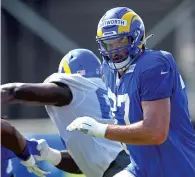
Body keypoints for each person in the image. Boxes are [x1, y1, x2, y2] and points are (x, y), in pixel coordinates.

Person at [67, 7, 195, 177]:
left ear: (136, 38)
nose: (114, 50)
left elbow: (155, 132)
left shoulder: (153, 64)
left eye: (121, 41)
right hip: (140, 167)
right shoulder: (109, 71)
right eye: (109, 43)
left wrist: (101, 129)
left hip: (175, 168)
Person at [1, 48, 130, 177]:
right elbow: (85, 164)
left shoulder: (77, 86)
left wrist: (5, 92)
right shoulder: (101, 93)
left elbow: (15, 91)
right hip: (123, 165)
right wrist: (49, 154)